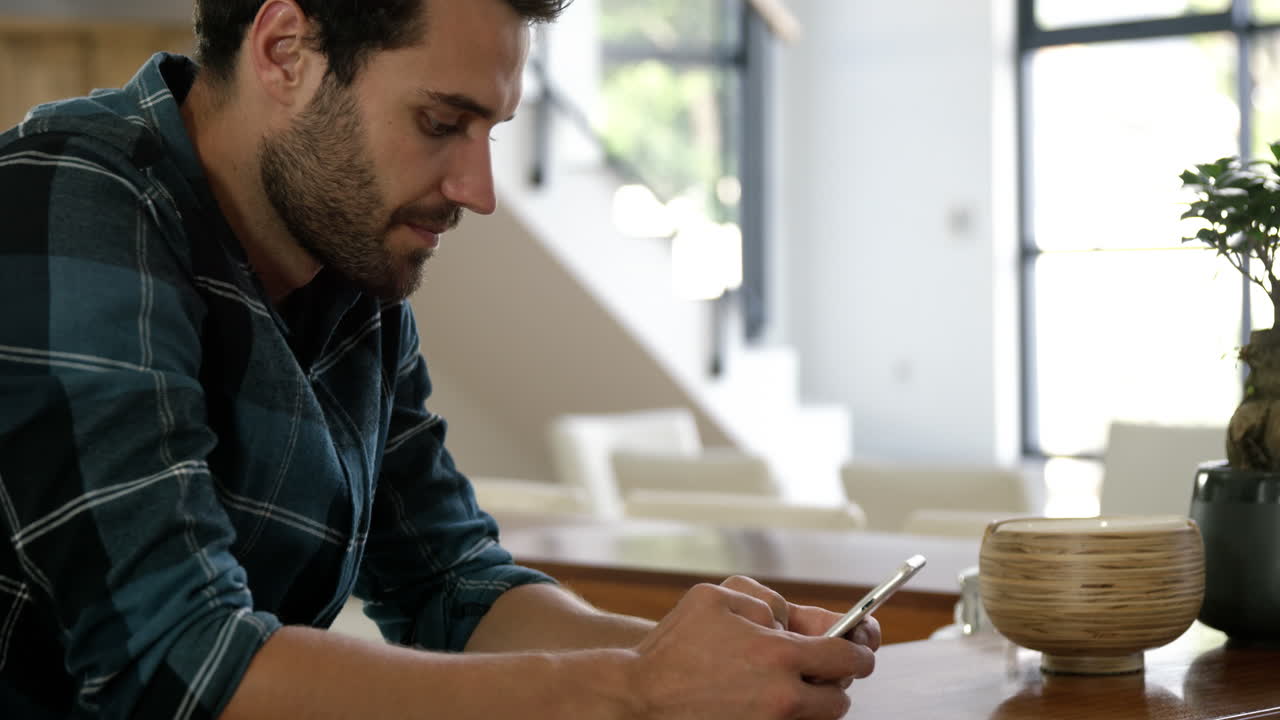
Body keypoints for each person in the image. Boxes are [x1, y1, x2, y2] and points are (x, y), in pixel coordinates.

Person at [0, 1, 880, 718]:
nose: (480, 190)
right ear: (285, 52)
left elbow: (451, 583)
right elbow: (176, 666)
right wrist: (638, 688)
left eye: (490, 130)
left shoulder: (347, 269)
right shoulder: (72, 200)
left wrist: (701, 659)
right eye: (441, 122)